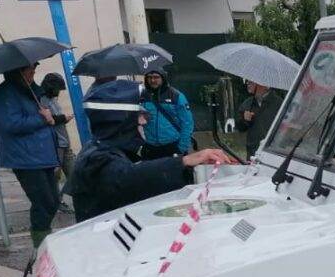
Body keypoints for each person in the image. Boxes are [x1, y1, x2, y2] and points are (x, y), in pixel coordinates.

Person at [65, 78, 232, 222]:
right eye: (139, 115)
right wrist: (184, 161)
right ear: (120, 122)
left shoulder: (101, 147)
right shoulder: (97, 159)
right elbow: (130, 178)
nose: (144, 122)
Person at [0, 65, 62, 248]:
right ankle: (40, 246)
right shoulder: (5, 93)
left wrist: (48, 118)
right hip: (26, 158)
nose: (33, 73)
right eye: (29, 70)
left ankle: (44, 239)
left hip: (42, 155)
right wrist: (42, 119)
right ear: (17, 71)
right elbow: (11, 124)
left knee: (53, 201)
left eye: (34, 69)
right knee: (43, 203)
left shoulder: (30, 91)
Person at [139, 70, 194, 160]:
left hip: (172, 146)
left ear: (163, 78)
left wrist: (181, 148)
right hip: (150, 147)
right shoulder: (143, 96)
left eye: (156, 77)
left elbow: (187, 123)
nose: (152, 80)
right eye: (149, 77)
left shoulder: (176, 96)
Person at [36, 72, 75, 184]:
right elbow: (48, 120)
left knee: (74, 176)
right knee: (55, 177)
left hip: (65, 143)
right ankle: (58, 200)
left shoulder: (53, 100)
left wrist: (64, 119)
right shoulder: (42, 101)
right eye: (57, 89)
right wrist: (63, 118)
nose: (58, 92)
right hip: (56, 145)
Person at [235, 80, 285, 158]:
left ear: (264, 85)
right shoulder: (247, 103)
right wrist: (244, 120)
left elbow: (285, 127)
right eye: (247, 81)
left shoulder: (279, 104)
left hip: (273, 152)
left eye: (251, 81)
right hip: (253, 152)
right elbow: (240, 128)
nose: (247, 83)